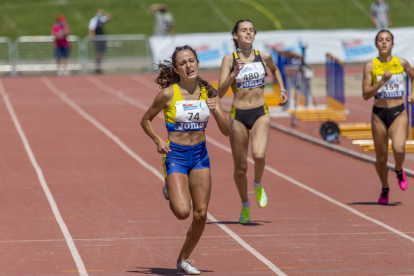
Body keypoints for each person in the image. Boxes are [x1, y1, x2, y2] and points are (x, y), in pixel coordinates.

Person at [140, 45, 230, 274]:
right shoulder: (169, 93)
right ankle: (169, 189)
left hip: (200, 156)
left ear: (198, 63)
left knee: (200, 214)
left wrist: (217, 111)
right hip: (176, 156)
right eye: (183, 63)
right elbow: (145, 120)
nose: (188, 65)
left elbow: (227, 131)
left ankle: (183, 259)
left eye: (192, 61)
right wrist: (158, 140)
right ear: (176, 69)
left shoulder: (209, 92)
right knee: (182, 212)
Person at [217, 19, 288, 224]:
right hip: (238, 115)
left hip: (260, 112)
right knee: (240, 169)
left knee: (258, 155)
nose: (248, 33)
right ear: (235, 36)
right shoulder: (228, 60)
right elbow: (220, 93)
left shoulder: (263, 56)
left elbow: (275, 70)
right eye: (243, 30)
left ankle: (257, 184)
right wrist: (233, 74)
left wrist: (281, 89)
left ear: (254, 35)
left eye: (251, 30)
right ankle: (245, 204)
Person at [362, 30, 414, 204]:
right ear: (376, 44)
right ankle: (385, 187)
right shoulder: (370, 66)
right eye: (380, 40)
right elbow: (365, 94)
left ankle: (399, 169)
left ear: (393, 43)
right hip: (379, 114)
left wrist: (413, 93)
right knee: (381, 158)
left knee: (399, 149)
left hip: (398, 112)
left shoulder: (402, 63)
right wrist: (381, 81)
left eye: (387, 40)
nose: (384, 43)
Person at [89, 9, 112, 74]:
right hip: (97, 39)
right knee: (98, 53)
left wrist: (104, 13)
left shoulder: (102, 19)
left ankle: (99, 68)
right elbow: (91, 29)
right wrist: (92, 36)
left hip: (102, 38)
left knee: (101, 53)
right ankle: (97, 68)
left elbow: (110, 17)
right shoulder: (94, 20)